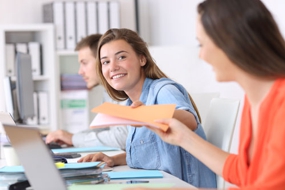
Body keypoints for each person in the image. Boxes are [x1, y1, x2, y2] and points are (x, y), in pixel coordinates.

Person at [126, 0, 285, 189]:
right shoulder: (255, 100)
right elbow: (246, 172)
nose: (201, 55)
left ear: (231, 41)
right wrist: (183, 137)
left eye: (201, 44)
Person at [77, 28, 217, 188]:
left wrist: (148, 115)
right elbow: (149, 153)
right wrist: (113, 159)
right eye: (105, 62)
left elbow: (190, 120)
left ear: (142, 59)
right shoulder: (132, 104)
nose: (113, 67)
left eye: (121, 57)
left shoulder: (163, 90)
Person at [45, 34, 128, 150]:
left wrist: (74, 139)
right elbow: (106, 128)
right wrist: (72, 138)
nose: (80, 72)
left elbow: (123, 137)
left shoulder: (126, 88)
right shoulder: (108, 92)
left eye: (84, 63)